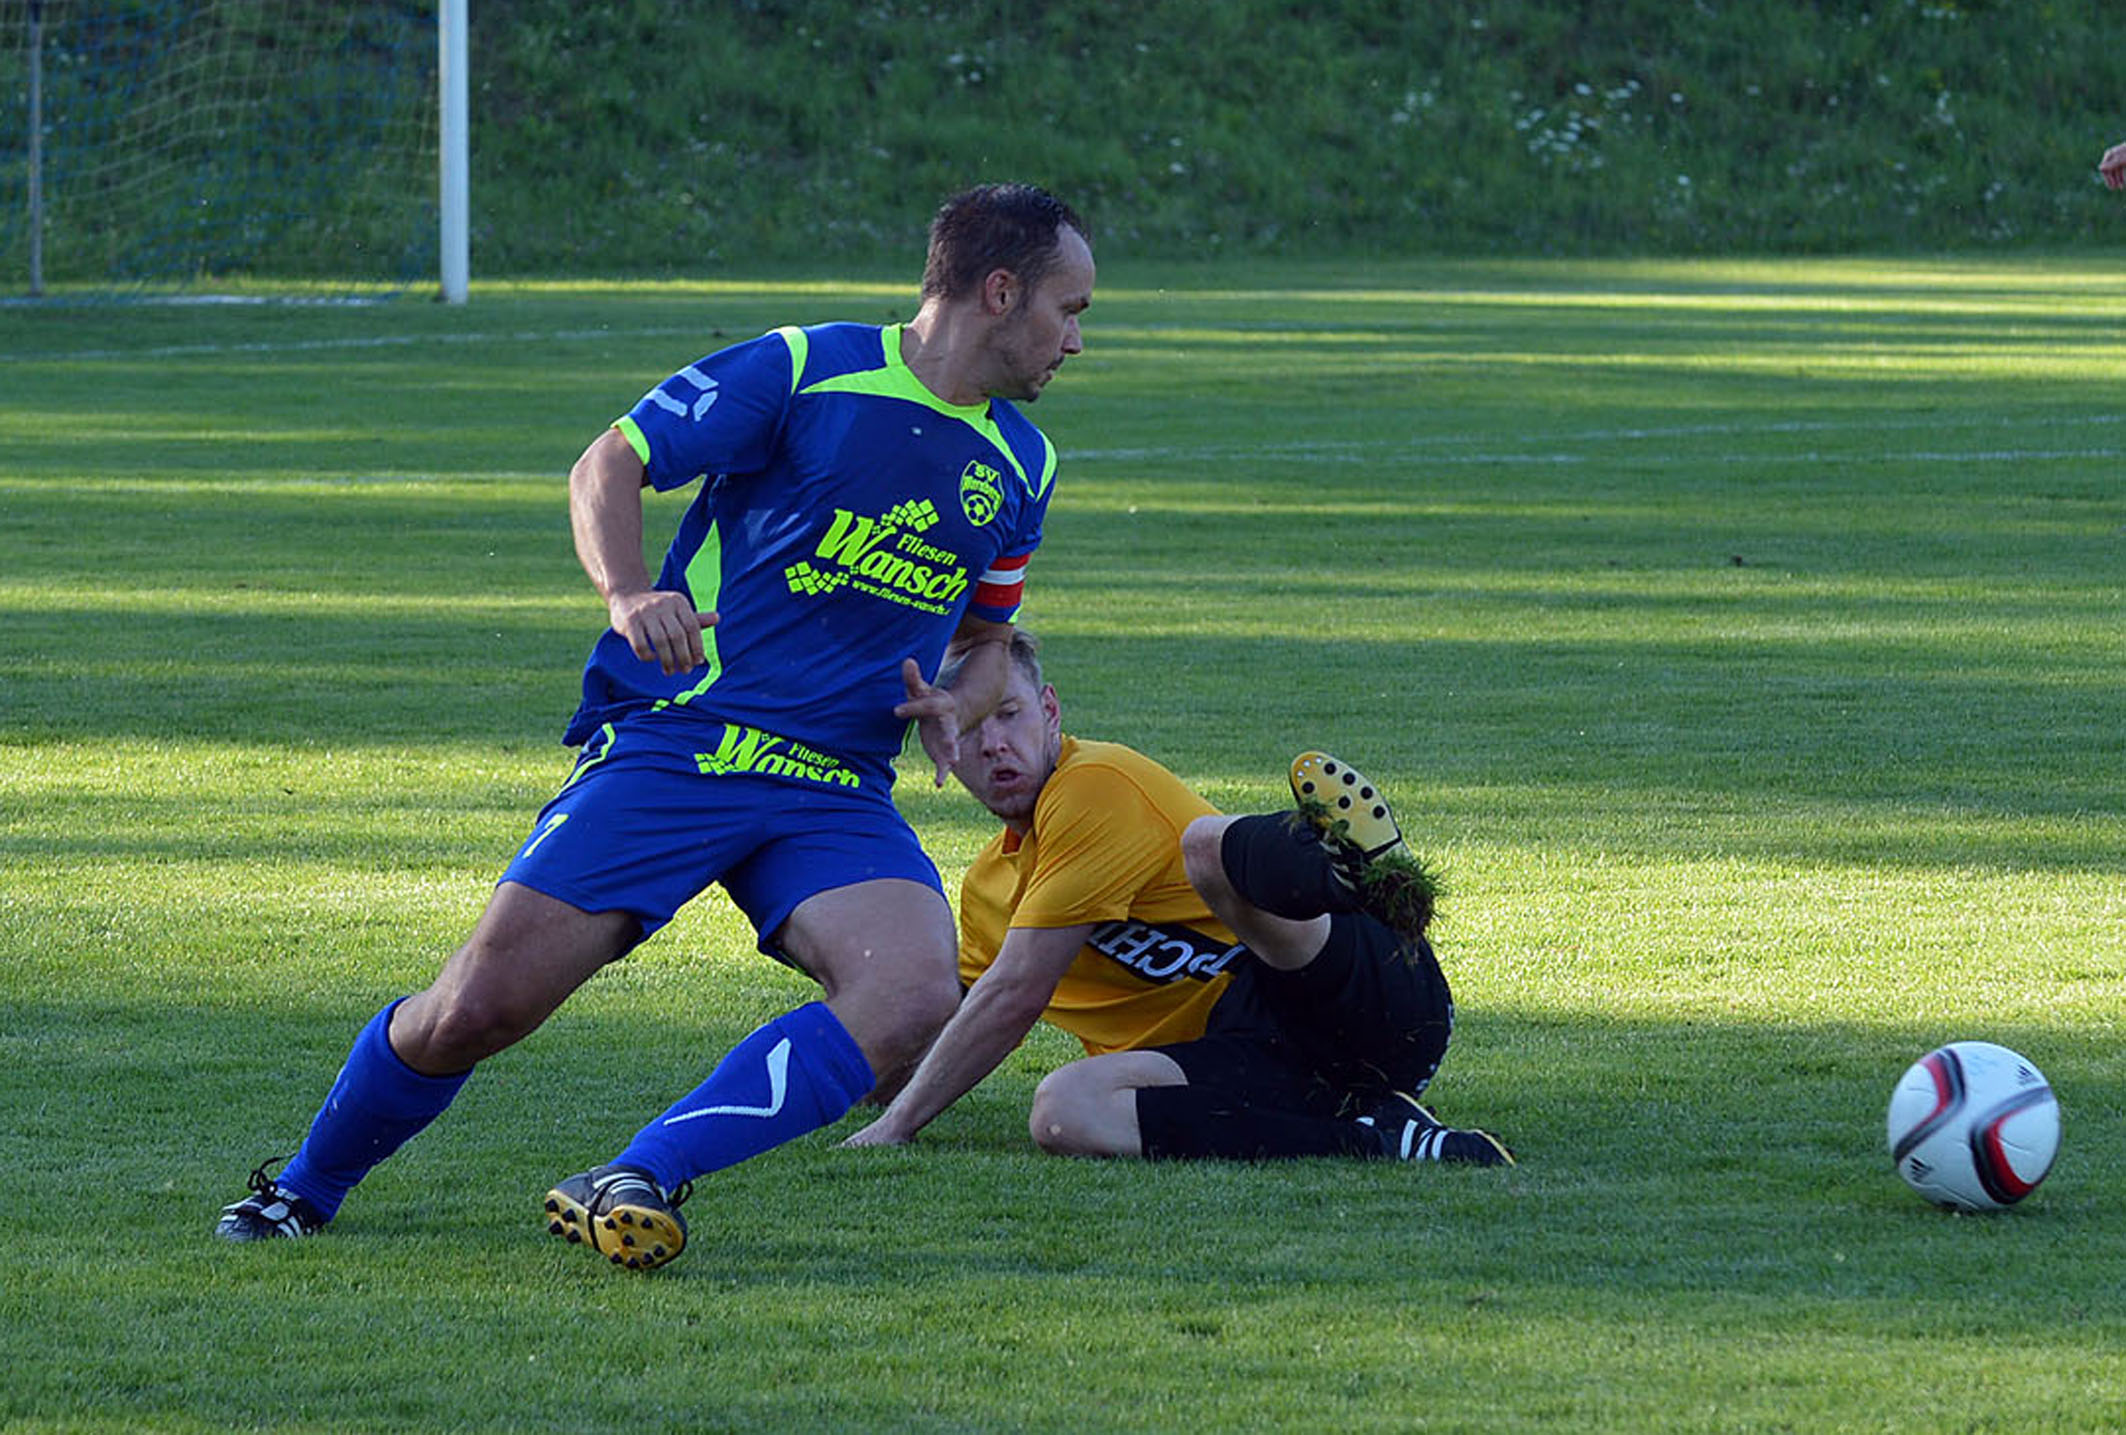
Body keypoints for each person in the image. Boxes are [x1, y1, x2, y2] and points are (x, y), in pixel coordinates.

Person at [216, 183, 1096, 1271]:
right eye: (1069, 308)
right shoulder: (801, 367)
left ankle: (636, 1174)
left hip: (832, 788)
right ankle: (304, 1185)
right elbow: (609, 462)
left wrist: (959, 700)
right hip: (688, 739)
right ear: (998, 291)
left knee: (913, 990)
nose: (1073, 338)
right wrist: (630, 594)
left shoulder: (1023, 464)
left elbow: (991, 635)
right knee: (478, 1007)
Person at [844, 632, 1512, 1166]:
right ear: (943, 748)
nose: (993, 745)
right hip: (1252, 1067)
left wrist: (898, 1127)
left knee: (1206, 847)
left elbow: (1015, 992)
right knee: (1061, 1109)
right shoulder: (988, 890)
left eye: (1009, 714)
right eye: (968, 728)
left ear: (1049, 711)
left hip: (1362, 995)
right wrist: (852, 1084)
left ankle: (1345, 870)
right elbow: (949, 1017)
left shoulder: (1095, 784)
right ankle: (1380, 1136)